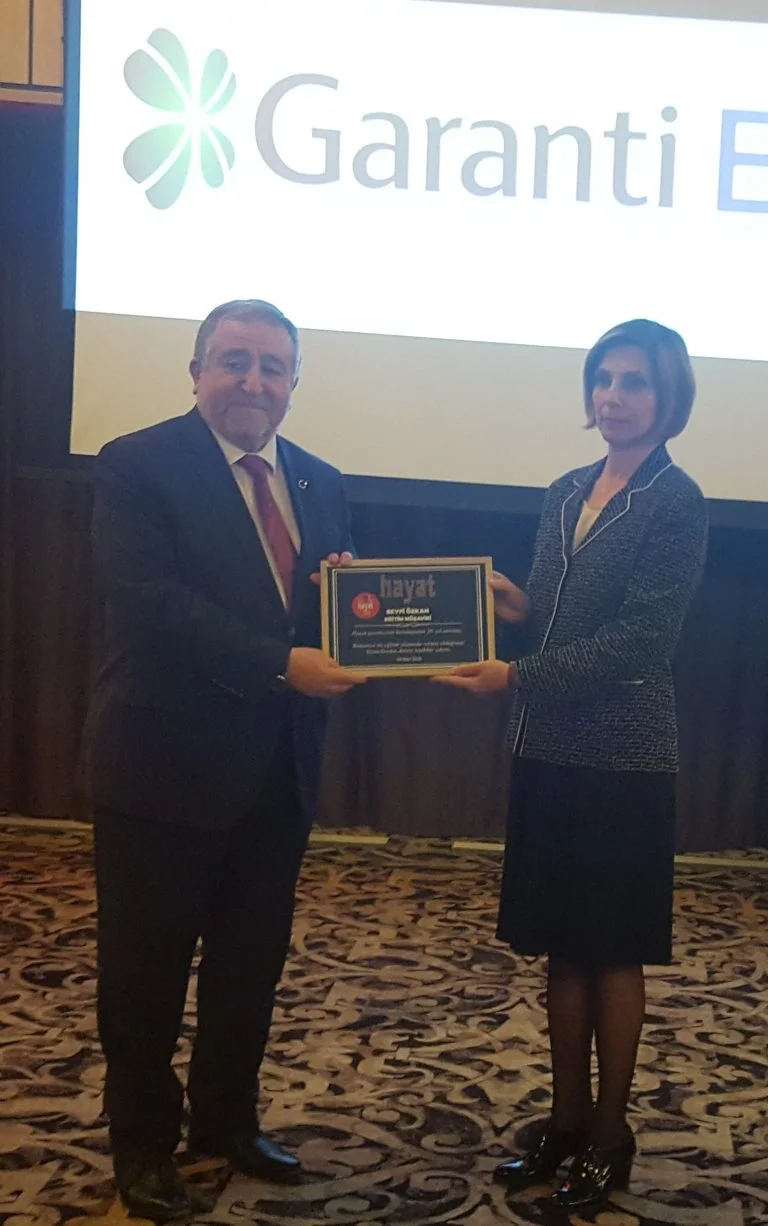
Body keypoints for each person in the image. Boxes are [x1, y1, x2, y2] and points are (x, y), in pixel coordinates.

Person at [82, 299, 365, 1221]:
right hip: (161, 768)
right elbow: (152, 601)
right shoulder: (137, 462)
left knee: (250, 966)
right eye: (234, 360)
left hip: (277, 770)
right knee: (145, 974)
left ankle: (226, 1122)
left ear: (294, 383)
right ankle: (142, 1146)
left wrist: (356, 612)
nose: (253, 380)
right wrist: (284, 662)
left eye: (272, 366)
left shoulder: (319, 480)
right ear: (197, 370)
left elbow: (329, 610)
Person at [436, 320, 708, 1214]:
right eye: (603, 379)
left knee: (612, 953)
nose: (613, 397)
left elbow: (640, 642)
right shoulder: (564, 491)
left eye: (635, 382)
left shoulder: (677, 501)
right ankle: (564, 1122)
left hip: (624, 757)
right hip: (548, 749)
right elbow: (557, 614)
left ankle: (609, 1137)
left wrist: (515, 674)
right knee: (562, 949)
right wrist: (503, 602)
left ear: (669, 398)